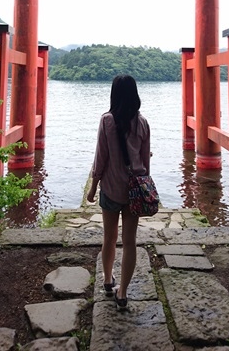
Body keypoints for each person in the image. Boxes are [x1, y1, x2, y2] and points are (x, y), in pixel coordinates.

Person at [87, 74, 151, 310]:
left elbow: (100, 158)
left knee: (109, 237)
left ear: (114, 94)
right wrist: (145, 188)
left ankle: (107, 280)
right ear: (135, 95)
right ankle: (122, 293)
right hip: (134, 191)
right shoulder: (143, 123)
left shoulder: (106, 121)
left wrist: (94, 186)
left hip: (111, 189)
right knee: (130, 242)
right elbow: (145, 162)